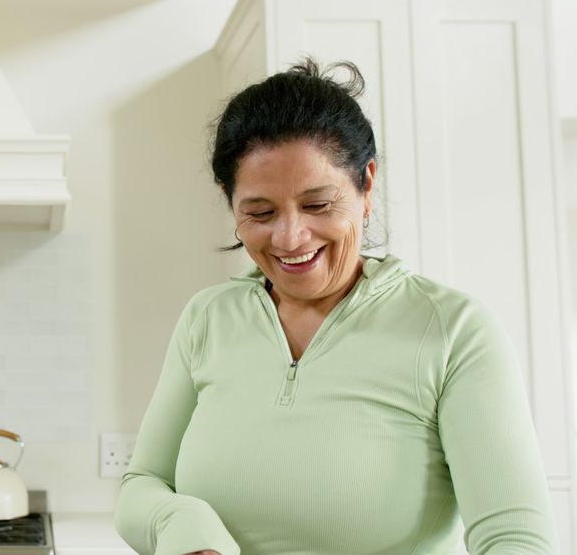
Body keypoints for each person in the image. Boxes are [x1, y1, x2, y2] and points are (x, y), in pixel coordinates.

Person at [113, 59, 557, 555]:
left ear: (366, 185)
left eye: (318, 205)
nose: (290, 237)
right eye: (259, 212)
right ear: (228, 199)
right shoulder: (207, 319)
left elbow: (516, 540)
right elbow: (142, 484)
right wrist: (183, 523)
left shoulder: (453, 331)